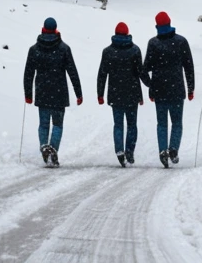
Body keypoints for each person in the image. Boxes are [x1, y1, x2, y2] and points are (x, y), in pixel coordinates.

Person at [23, 16, 83, 166]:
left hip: (42, 92)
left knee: (43, 124)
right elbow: (72, 72)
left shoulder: (34, 49)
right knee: (57, 124)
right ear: (56, 30)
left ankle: (44, 146)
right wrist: (78, 93)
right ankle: (53, 149)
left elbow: (28, 74)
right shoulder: (64, 49)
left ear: (43, 29)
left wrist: (28, 94)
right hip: (59, 93)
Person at [141, 10, 195, 169]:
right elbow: (188, 67)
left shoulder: (153, 43)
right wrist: (190, 88)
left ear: (157, 26)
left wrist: (151, 86)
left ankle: (163, 151)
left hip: (160, 91)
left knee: (162, 123)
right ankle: (173, 149)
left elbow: (144, 70)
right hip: (177, 90)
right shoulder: (181, 42)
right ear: (170, 23)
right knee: (177, 122)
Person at [97, 21, 144, 167]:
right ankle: (129, 151)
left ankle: (119, 150)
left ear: (115, 34)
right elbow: (139, 74)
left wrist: (100, 93)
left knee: (118, 125)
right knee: (132, 124)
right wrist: (142, 94)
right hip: (131, 93)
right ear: (127, 33)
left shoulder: (108, 52)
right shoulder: (135, 51)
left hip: (115, 93)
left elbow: (102, 74)